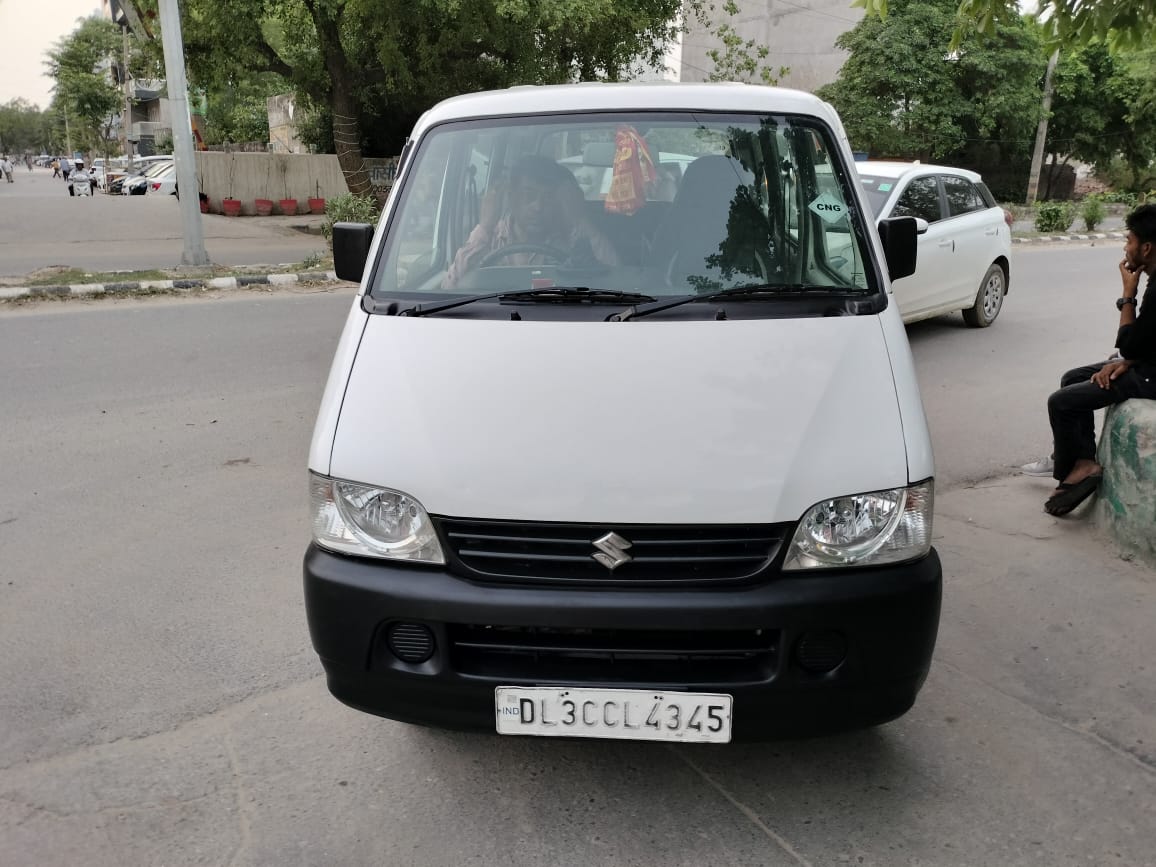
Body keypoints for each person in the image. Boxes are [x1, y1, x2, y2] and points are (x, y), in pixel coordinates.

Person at [1042, 204, 1156, 516]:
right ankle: (1079, 459)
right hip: (1145, 362)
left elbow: (1128, 342)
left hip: (1152, 376)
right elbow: (1143, 341)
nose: (1125, 247)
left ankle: (1076, 470)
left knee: (1061, 403)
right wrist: (1127, 360)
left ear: (1146, 248)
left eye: (1129, 240)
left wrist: (1128, 294)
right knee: (1072, 378)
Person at [444, 155, 619, 288]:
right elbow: (451, 288)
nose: (538, 207)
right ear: (512, 197)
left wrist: (578, 219)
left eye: (547, 198)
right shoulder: (490, 238)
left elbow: (616, 279)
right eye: (529, 196)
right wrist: (485, 226)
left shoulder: (573, 238)